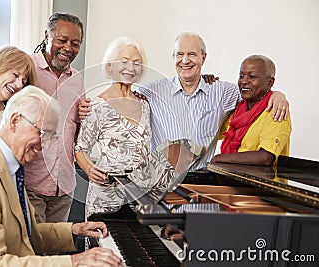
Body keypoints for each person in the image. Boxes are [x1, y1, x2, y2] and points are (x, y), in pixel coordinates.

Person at [0, 86, 123, 267]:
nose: (45, 145)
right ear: (15, 121)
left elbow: (26, 235)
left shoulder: (10, 167)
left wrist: (74, 230)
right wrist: (75, 261)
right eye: (43, 133)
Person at [80, 32, 290, 171]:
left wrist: (278, 95)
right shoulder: (151, 92)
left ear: (203, 58)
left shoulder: (223, 92)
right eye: (180, 54)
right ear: (173, 57)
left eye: (192, 54)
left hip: (202, 188)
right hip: (158, 187)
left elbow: (253, 93)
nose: (186, 60)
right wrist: (90, 107)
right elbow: (122, 103)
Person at [0, 12, 85, 223]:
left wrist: (86, 115)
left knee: (56, 244)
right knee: (29, 247)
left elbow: (75, 127)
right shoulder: (25, 65)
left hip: (64, 185)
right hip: (29, 183)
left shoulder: (77, 80)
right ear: (47, 36)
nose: (68, 48)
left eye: (75, 43)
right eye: (62, 40)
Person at [74, 37, 159, 219]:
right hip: (105, 195)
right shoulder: (96, 105)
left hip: (140, 197)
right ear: (110, 65)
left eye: (137, 63)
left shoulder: (145, 105)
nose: (131, 68)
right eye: (124, 61)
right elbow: (80, 149)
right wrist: (89, 170)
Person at [211, 55, 291, 165]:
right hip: (230, 179)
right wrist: (205, 83)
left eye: (252, 77)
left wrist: (220, 158)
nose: (244, 81)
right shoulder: (237, 110)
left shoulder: (277, 111)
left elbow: (265, 157)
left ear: (270, 82)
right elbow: (211, 131)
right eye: (241, 76)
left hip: (260, 181)